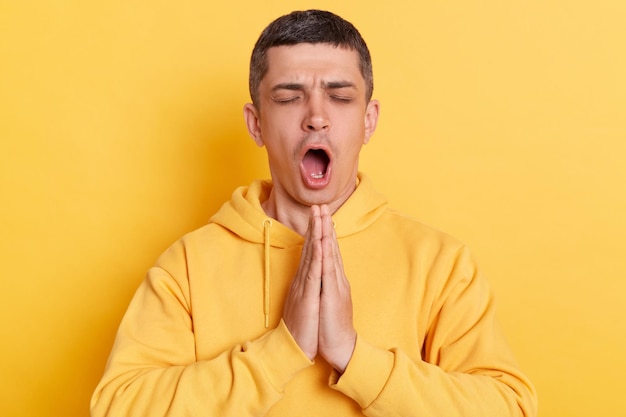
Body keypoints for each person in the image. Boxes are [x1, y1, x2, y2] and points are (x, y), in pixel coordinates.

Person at [91, 9, 537, 417]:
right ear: (256, 123)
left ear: (369, 120)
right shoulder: (187, 266)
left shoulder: (440, 263)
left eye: (340, 97)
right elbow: (118, 407)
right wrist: (282, 350)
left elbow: (510, 408)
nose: (317, 118)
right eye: (289, 98)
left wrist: (353, 355)